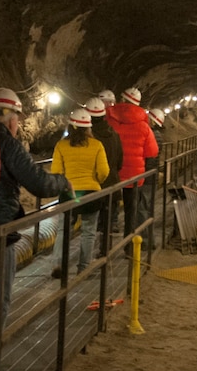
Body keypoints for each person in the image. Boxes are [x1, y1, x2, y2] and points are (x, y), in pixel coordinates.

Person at [0, 88, 71, 371]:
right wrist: (63, 182)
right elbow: (36, 182)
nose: (18, 124)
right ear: (9, 117)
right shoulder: (7, 143)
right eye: (17, 118)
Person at [49, 107, 109, 275]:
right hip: (92, 192)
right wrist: (96, 180)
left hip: (70, 193)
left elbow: (56, 172)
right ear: (89, 127)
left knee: (63, 230)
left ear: (71, 126)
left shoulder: (61, 146)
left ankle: (58, 265)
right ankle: (84, 267)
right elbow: (104, 171)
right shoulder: (97, 145)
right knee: (88, 232)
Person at [105, 87, 159, 255]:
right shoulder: (144, 125)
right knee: (131, 211)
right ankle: (129, 247)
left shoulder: (110, 119)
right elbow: (152, 152)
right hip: (134, 175)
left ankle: (104, 248)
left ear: (123, 99)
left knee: (108, 209)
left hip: (112, 172)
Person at [85, 97, 123, 251]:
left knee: (89, 226)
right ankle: (104, 254)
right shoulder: (114, 135)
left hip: (92, 186)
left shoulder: (88, 138)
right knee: (107, 223)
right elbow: (120, 160)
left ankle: (86, 260)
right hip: (112, 183)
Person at [137, 108, 165, 250]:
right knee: (147, 208)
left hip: (147, 177)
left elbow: (148, 157)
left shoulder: (152, 135)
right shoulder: (158, 135)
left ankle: (147, 241)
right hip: (152, 176)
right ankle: (147, 239)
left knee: (142, 208)